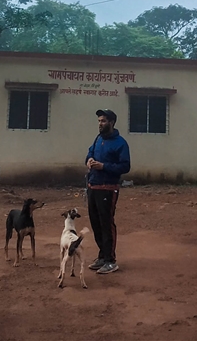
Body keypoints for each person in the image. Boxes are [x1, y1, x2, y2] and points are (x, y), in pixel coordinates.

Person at [85, 109, 130, 274]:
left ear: (111, 122)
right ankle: (102, 256)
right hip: (93, 187)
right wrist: (89, 160)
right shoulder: (98, 139)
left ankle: (111, 260)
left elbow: (125, 166)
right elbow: (90, 152)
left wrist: (104, 166)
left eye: (103, 121)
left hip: (108, 189)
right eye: (99, 121)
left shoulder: (120, 143)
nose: (100, 124)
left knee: (106, 224)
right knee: (95, 224)